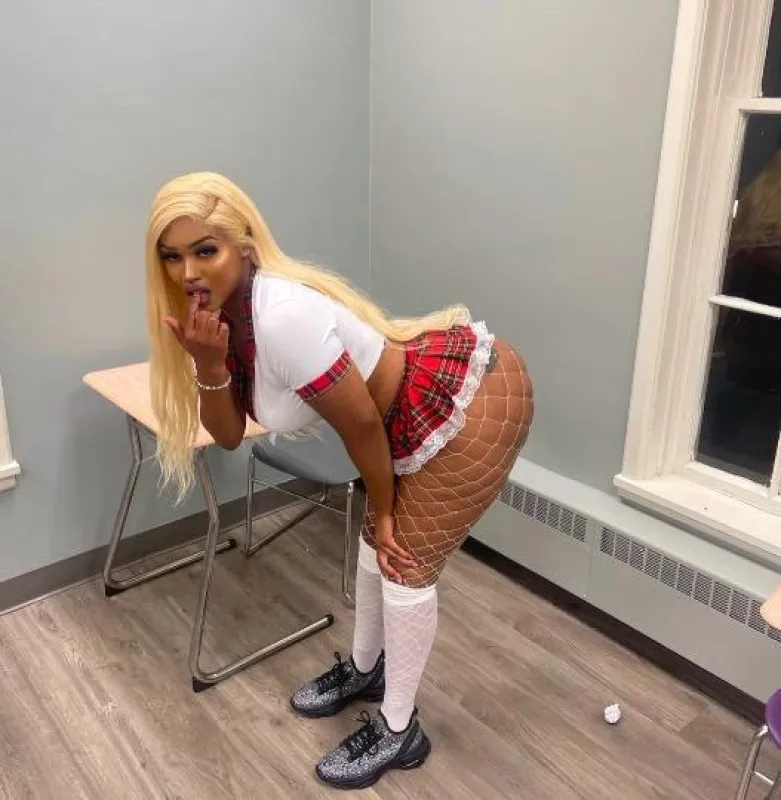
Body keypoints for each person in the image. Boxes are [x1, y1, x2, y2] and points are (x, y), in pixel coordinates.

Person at [146, 171, 534, 790]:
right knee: (375, 549)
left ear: (244, 246)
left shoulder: (281, 317)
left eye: (205, 250)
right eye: (172, 256)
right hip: (394, 418)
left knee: (402, 563)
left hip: (467, 401)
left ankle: (401, 731)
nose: (188, 272)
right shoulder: (225, 320)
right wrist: (209, 363)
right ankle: (366, 668)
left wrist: (384, 513)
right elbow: (227, 434)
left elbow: (360, 426)